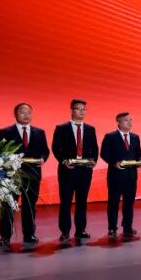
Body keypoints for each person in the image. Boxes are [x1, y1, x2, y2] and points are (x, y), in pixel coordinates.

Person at [0, 102, 48, 250]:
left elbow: (45, 151)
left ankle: (29, 234)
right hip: (11, 175)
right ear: (15, 114)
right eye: (22, 112)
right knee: (8, 206)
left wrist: (43, 158)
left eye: (29, 113)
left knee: (30, 206)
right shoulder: (5, 132)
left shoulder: (39, 132)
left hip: (33, 175)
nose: (26, 115)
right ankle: (5, 236)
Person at [51, 98, 98, 246]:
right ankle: (65, 231)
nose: (82, 111)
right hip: (68, 170)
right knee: (65, 201)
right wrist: (63, 161)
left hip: (84, 171)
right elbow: (55, 148)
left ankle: (80, 230)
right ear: (72, 110)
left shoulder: (90, 129)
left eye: (84, 109)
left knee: (82, 201)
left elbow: (95, 148)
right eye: (79, 109)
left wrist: (93, 161)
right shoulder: (61, 128)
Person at [101, 112, 141, 239]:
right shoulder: (110, 136)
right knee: (113, 202)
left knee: (129, 202)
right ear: (118, 122)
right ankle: (112, 228)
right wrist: (114, 163)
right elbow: (104, 153)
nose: (129, 122)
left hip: (131, 175)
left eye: (131, 120)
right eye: (126, 120)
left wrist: (140, 160)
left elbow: (138, 153)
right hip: (116, 175)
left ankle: (127, 227)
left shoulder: (135, 137)